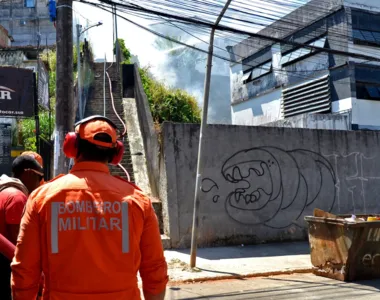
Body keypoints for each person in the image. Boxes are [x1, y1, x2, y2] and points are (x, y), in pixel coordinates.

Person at [11, 115, 168, 300]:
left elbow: (24, 271)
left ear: (72, 145)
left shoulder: (42, 198)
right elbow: (155, 272)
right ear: (116, 153)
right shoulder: (138, 201)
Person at [0, 155, 44, 299]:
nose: (41, 183)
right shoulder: (17, 197)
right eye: (40, 177)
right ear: (29, 173)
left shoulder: (4, 192)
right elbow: (20, 246)